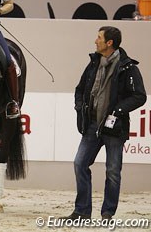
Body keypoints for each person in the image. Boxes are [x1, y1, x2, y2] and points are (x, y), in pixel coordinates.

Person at [60, 26, 146, 222]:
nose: (95, 41)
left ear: (109, 43)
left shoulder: (128, 67)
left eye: (98, 38)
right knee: (80, 164)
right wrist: (80, 107)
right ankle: (82, 212)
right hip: (91, 125)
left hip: (114, 128)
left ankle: (107, 213)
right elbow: (80, 89)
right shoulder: (93, 63)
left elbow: (139, 96)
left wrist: (118, 111)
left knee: (113, 171)